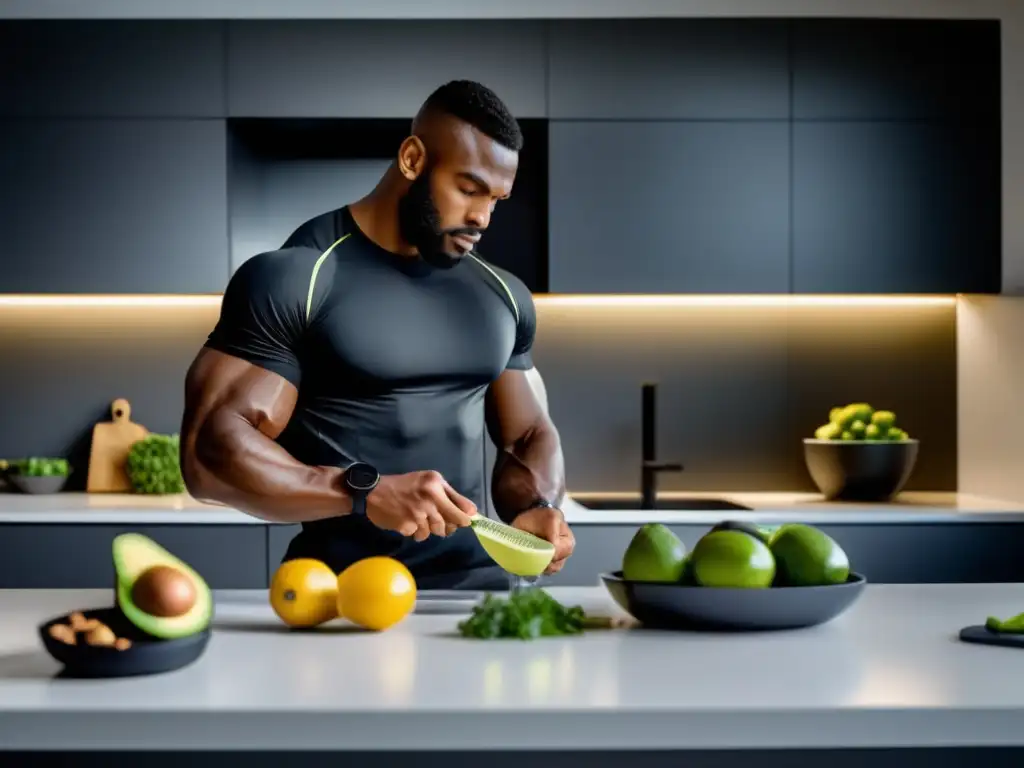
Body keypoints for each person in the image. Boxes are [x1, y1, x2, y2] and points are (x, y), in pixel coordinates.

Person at [179, 80, 575, 590]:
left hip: (481, 595)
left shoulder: (501, 295)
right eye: (469, 188)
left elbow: (528, 433)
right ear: (413, 158)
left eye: (496, 199)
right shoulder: (300, 277)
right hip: (339, 596)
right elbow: (209, 453)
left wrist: (539, 506)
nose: (482, 216)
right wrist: (361, 491)